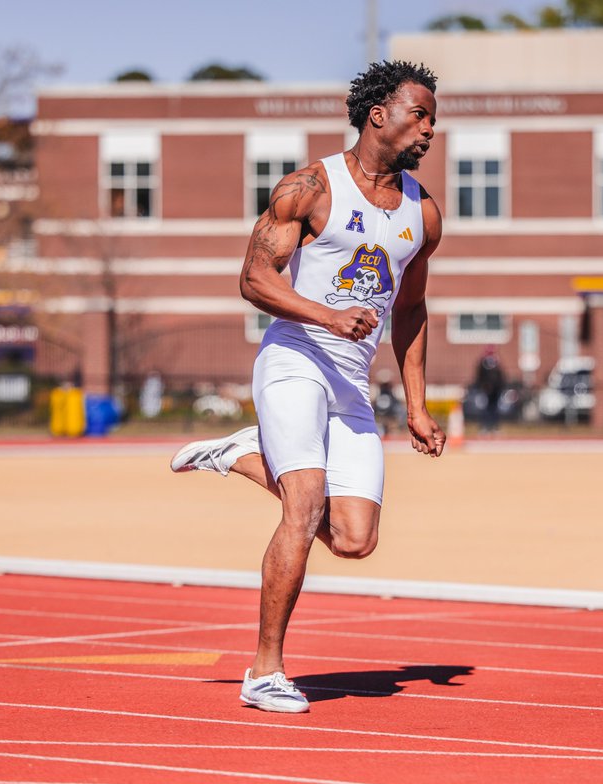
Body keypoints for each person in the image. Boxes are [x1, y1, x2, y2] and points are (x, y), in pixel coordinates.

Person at [170, 61, 445, 713]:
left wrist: (417, 404)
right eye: (421, 113)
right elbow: (253, 279)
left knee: (355, 538)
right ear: (379, 113)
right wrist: (326, 316)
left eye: (434, 117)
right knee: (305, 507)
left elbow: (410, 311)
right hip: (294, 360)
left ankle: (241, 453)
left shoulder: (423, 215)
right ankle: (264, 671)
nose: (430, 128)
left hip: (351, 387)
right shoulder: (311, 187)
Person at [473, 346, 505, 433]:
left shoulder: (496, 362)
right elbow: (480, 376)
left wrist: (500, 386)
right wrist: (483, 386)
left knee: (494, 408)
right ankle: (485, 426)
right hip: (486, 390)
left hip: (496, 389)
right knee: (485, 408)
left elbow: (500, 376)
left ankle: (494, 426)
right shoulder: (483, 363)